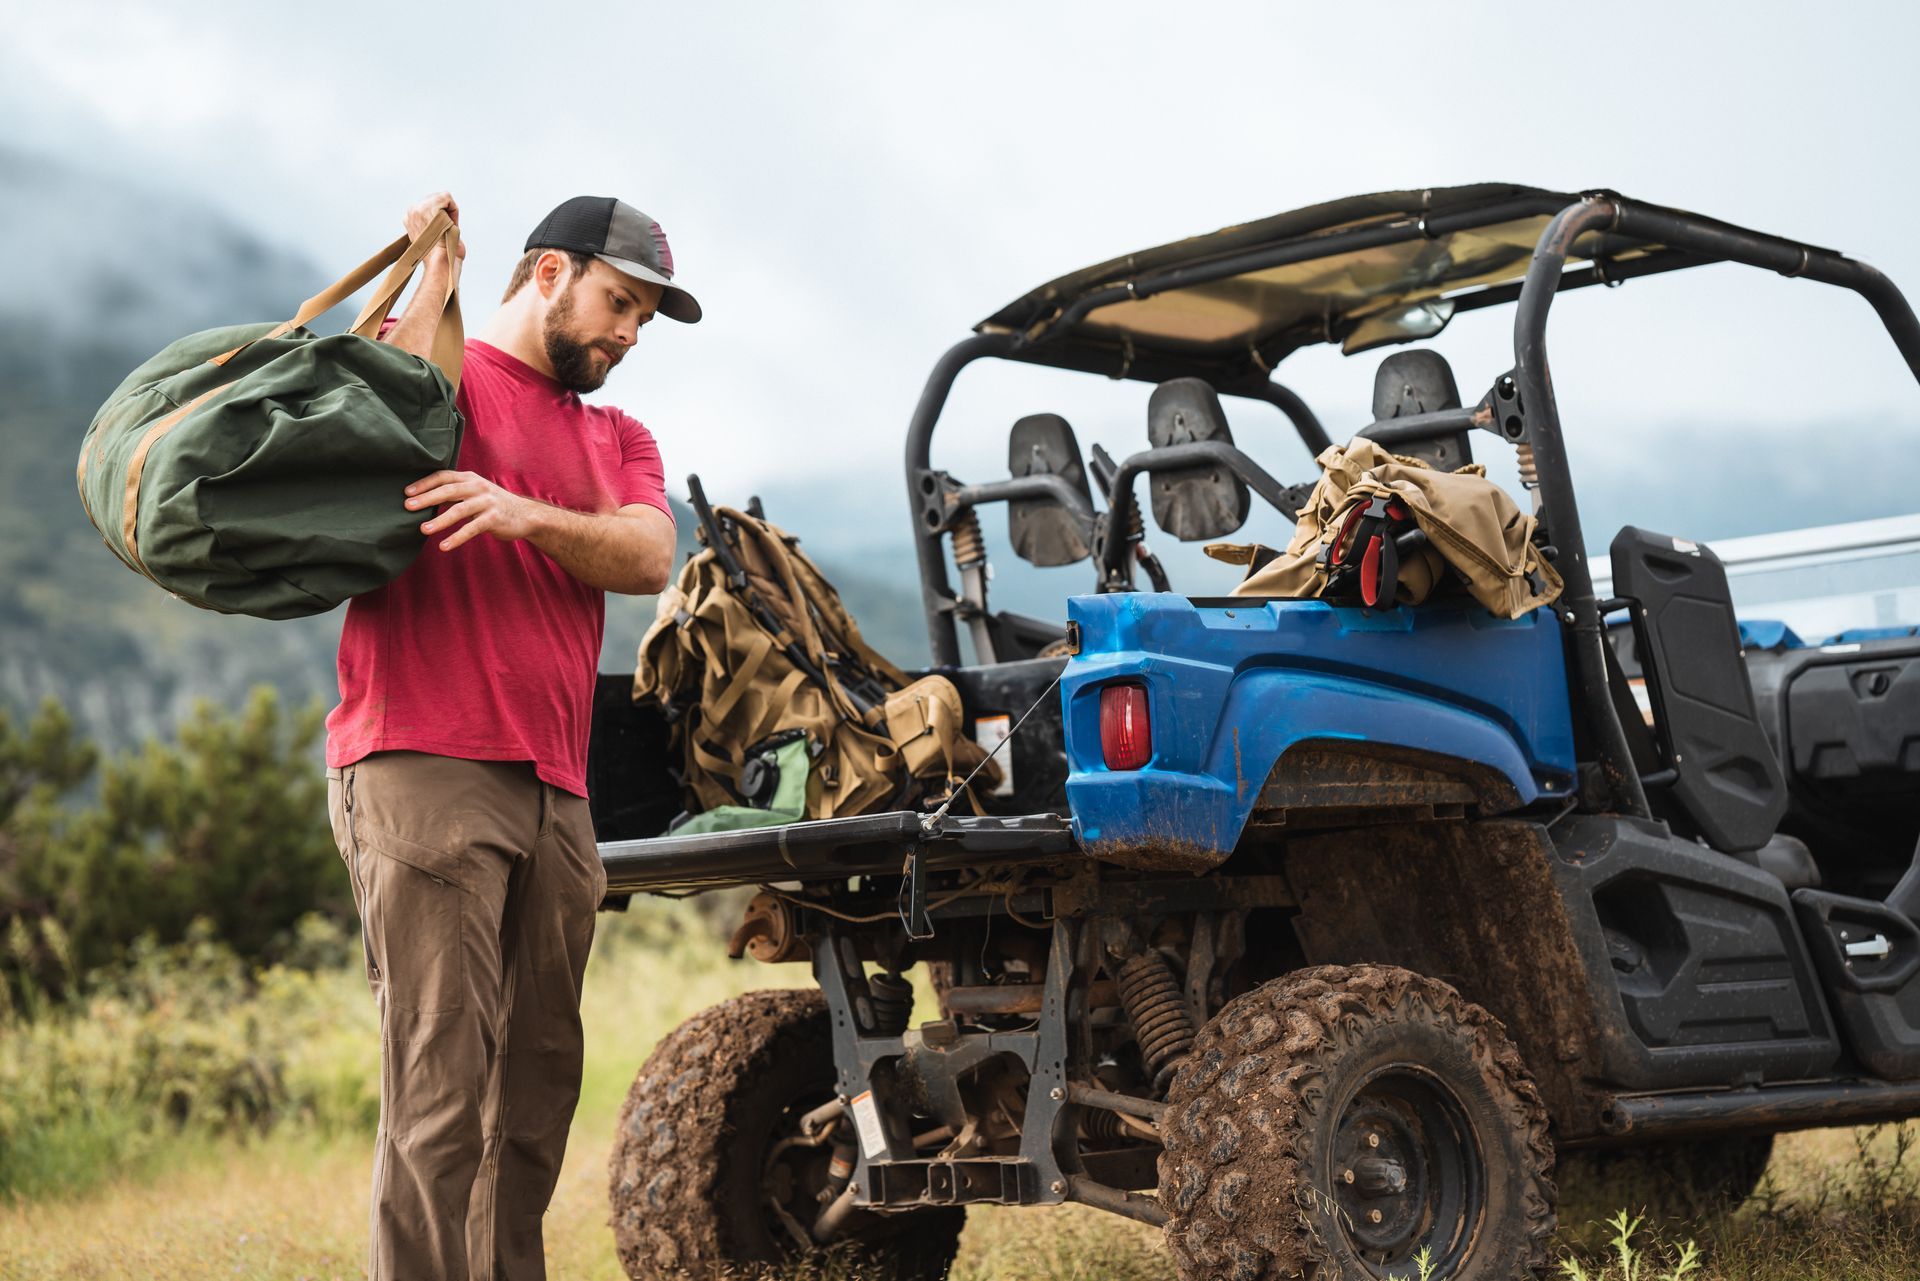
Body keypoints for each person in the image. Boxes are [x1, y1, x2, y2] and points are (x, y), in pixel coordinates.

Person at [323, 191, 695, 1280]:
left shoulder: (619, 435)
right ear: (547, 275)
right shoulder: (446, 379)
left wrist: (521, 511)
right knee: (440, 1097)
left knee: (532, 1096)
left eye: (644, 320)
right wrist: (430, 264)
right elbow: (356, 391)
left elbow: (645, 558)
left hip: (555, 786)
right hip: (424, 763)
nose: (628, 335)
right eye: (619, 303)